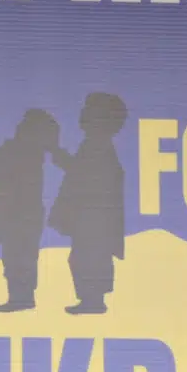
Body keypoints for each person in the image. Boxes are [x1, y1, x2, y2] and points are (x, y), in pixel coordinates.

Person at [48, 92, 128, 315]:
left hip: (94, 220)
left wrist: (58, 154)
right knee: (83, 257)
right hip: (91, 219)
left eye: (89, 110)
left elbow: (84, 174)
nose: (83, 114)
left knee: (88, 257)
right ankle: (90, 299)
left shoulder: (98, 145)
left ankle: (93, 300)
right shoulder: (94, 144)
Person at [0, 109, 61, 312]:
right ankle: (20, 296)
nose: (18, 127)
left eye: (24, 125)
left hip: (21, 217)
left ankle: (21, 298)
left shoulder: (26, 153)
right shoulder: (28, 153)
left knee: (19, 257)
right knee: (18, 256)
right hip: (23, 216)